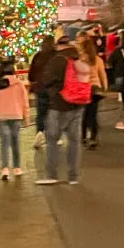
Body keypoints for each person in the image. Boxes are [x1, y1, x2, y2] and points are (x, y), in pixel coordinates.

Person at [37, 36, 91, 185]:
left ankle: (51, 175)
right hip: (78, 104)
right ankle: (73, 177)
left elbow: (46, 80)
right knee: (74, 141)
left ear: (58, 46)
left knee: (52, 140)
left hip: (59, 105)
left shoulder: (57, 60)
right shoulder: (78, 59)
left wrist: (52, 93)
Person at [0, 58, 30, 179]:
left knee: (4, 142)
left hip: (1, 116)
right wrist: (26, 118)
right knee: (15, 141)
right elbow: (25, 102)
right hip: (16, 115)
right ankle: (17, 168)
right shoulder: (19, 84)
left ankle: (5, 169)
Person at [77, 35, 108, 149]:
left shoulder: (79, 60)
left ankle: (83, 137)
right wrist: (105, 87)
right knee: (93, 114)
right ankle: (93, 137)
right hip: (95, 88)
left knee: (83, 113)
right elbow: (102, 74)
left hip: (83, 88)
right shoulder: (98, 60)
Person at [28, 35, 55, 150]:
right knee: (52, 113)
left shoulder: (38, 56)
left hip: (39, 88)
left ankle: (39, 133)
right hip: (52, 89)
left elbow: (31, 74)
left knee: (41, 113)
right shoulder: (56, 56)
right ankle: (52, 137)